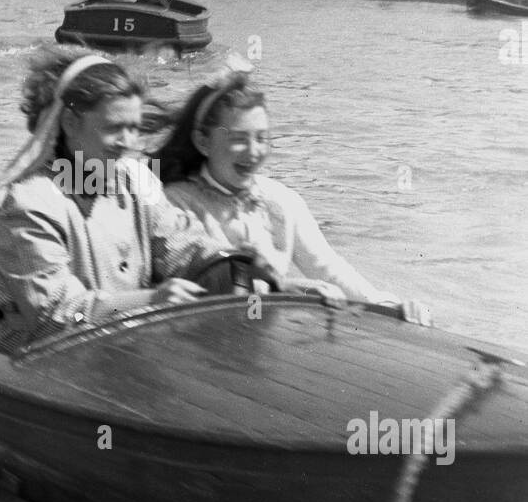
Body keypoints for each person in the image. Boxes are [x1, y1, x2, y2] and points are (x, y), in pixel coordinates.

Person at [0, 49, 231, 353]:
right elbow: (57, 315)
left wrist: (234, 266)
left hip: (125, 347)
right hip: (43, 361)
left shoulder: (133, 180)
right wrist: (152, 301)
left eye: (134, 128)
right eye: (115, 128)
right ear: (70, 122)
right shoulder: (28, 204)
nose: (129, 143)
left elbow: (182, 246)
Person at [157, 69, 431, 320]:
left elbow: (326, 267)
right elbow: (210, 290)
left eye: (262, 138)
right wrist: (299, 289)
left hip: (264, 335)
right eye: (238, 139)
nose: (254, 153)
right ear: (202, 142)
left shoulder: (281, 199)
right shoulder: (173, 203)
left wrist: (387, 305)